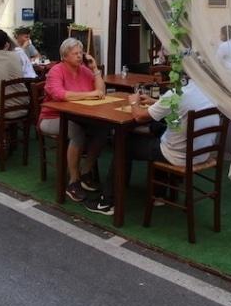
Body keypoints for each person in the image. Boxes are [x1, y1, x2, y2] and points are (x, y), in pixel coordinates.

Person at [85, 78, 218, 215]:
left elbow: (139, 117)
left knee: (123, 144)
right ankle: (159, 195)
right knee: (158, 130)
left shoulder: (177, 93)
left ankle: (107, 202)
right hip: (201, 154)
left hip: (178, 156)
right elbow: (180, 106)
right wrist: (155, 102)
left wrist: (134, 102)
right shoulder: (209, 93)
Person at [40, 38, 108, 202]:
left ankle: (85, 172)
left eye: (80, 53)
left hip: (80, 117)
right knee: (77, 132)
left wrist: (95, 70)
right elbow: (59, 94)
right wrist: (90, 94)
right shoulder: (56, 71)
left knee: (102, 130)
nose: (79, 56)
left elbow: (101, 91)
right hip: (53, 118)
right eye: (75, 53)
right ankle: (73, 181)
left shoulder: (85, 70)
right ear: (65, 56)